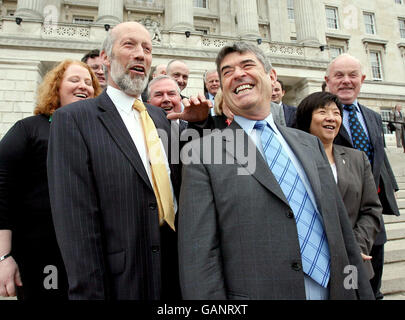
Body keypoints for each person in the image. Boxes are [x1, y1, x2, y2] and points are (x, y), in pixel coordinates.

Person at [178, 42, 374, 300]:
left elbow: (341, 233)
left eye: (247, 65)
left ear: (271, 77)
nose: (237, 74)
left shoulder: (309, 143)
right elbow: (199, 255)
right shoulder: (202, 154)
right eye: (227, 72)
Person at [47, 21, 210, 300]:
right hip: (120, 280)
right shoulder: (73, 119)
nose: (140, 54)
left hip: (174, 275)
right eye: (129, 45)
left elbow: (187, 178)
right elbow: (76, 222)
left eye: (147, 48)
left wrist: (201, 125)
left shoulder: (160, 117)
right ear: (106, 59)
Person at [0, 59, 101, 300]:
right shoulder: (29, 129)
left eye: (89, 83)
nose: (83, 86)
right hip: (40, 255)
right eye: (74, 80)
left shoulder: (98, 135)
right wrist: (3, 257)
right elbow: (2, 188)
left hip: (89, 256)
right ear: (56, 87)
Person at [325, 53, 400, 299]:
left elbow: (380, 160)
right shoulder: (317, 117)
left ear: (362, 79)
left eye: (352, 75)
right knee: (348, 286)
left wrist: (390, 192)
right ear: (327, 80)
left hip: (371, 215)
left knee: (372, 284)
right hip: (338, 214)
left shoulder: (373, 117)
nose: (346, 81)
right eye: (339, 75)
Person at [295, 91, 382, 279]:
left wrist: (355, 246)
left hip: (351, 264)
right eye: (323, 112)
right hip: (307, 265)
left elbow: (371, 210)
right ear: (306, 118)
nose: (331, 118)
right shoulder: (293, 159)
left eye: (336, 113)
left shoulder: (357, 159)